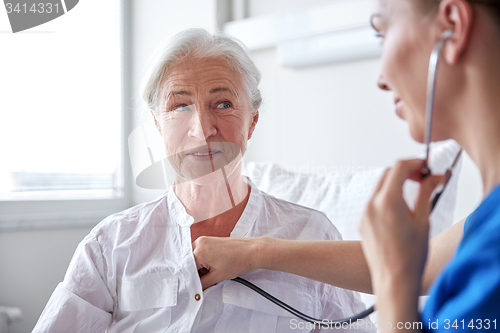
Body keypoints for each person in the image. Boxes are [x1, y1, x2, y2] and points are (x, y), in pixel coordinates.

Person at [32, 28, 374, 333]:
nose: (202, 130)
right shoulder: (109, 246)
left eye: (223, 103)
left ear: (252, 122)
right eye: (180, 106)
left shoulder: (311, 235)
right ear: (157, 123)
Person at [192, 0, 500, 331]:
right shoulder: (487, 226)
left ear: (451, 26)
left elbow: (404, 273)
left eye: (382, 33)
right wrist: (255, 251)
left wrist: (395, 288)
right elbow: (425, 265)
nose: (381, 78)